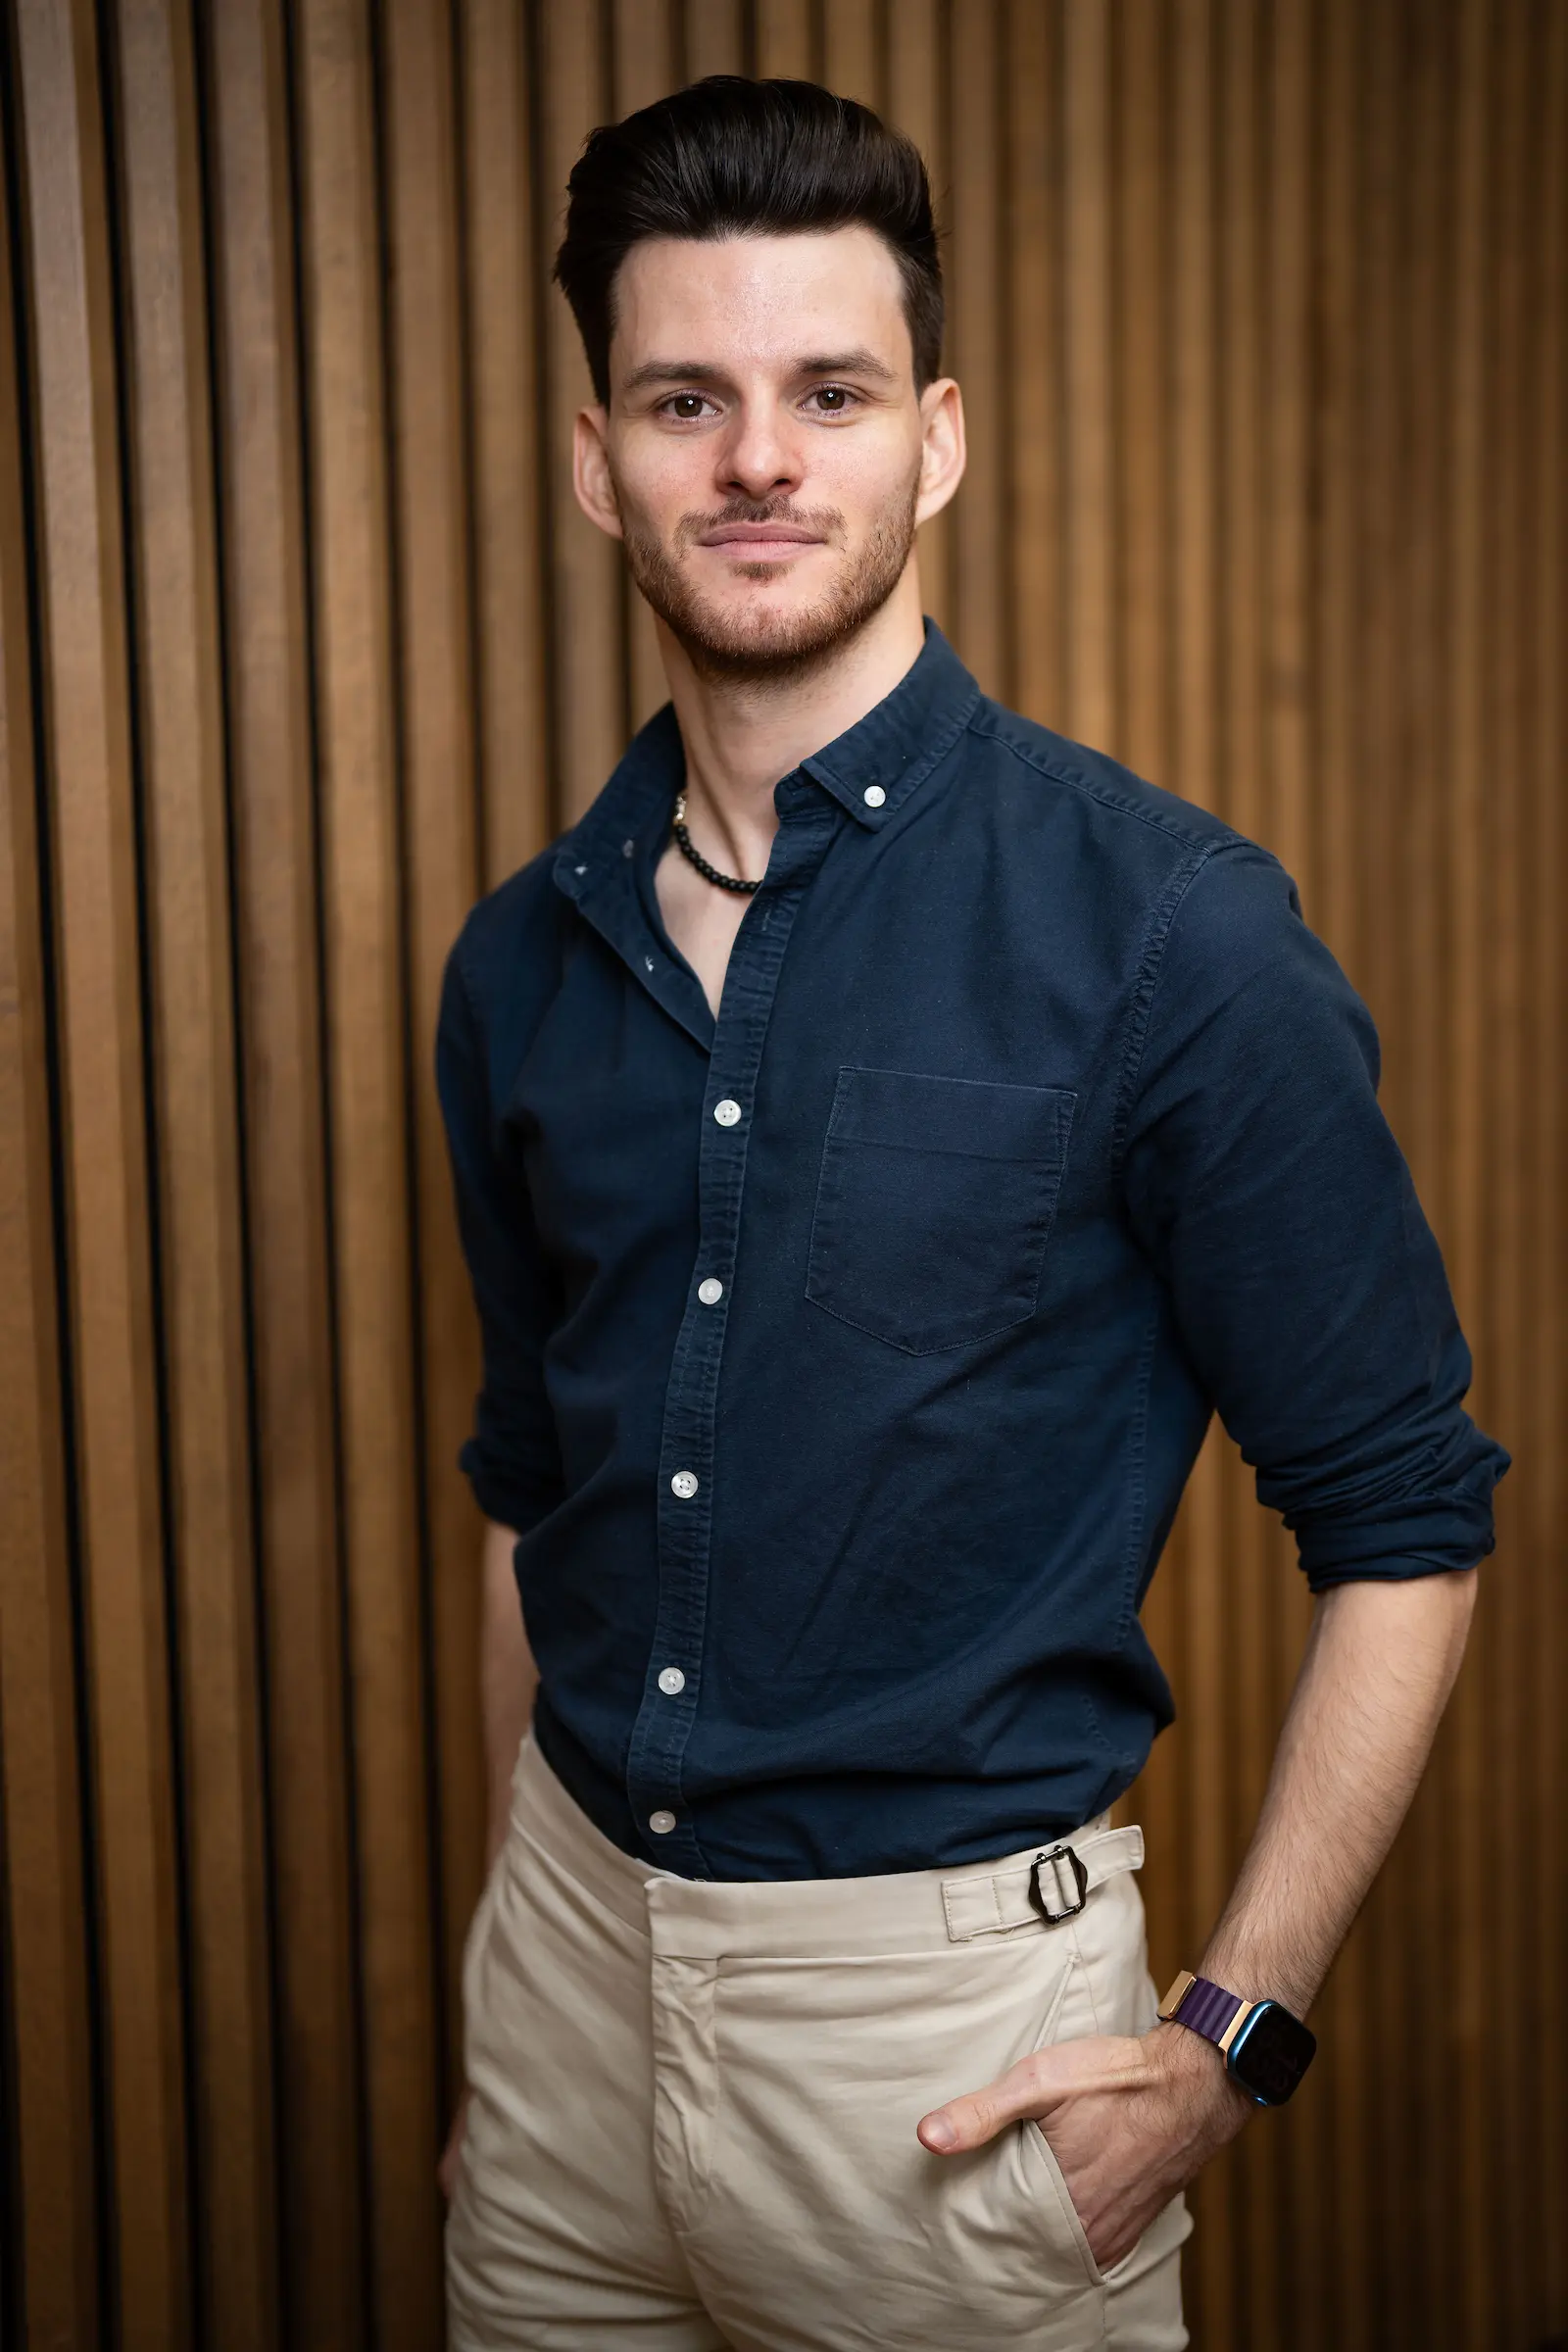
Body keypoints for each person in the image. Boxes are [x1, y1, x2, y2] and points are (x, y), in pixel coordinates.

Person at [435, 75, 1506, 2352]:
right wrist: (515, 1974)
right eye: (679, 398)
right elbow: (533, 1501)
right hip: (558, 2011)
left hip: (945, 2071)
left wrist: (1231, 2039)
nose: (751, 459)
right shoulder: (519, 964)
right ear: (590, 460)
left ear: (930, 440)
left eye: (823, 392)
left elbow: (1403, 1524)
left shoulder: (1170, 936)